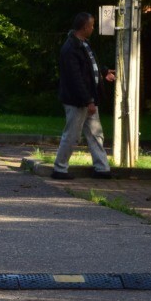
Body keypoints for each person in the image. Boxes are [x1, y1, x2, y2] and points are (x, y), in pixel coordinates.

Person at [53, 12, 116, 180]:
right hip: (77, 101)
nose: (93, 28)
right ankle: (59, 168)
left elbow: (90, 66)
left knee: (96, 133)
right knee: (73, 135)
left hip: (89, 99)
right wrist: (88, 100)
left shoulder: (84, 44)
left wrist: (103, 72)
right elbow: (76, 78)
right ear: (84, 27)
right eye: (92, 25)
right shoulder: (70, 48)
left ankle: (102, 168)